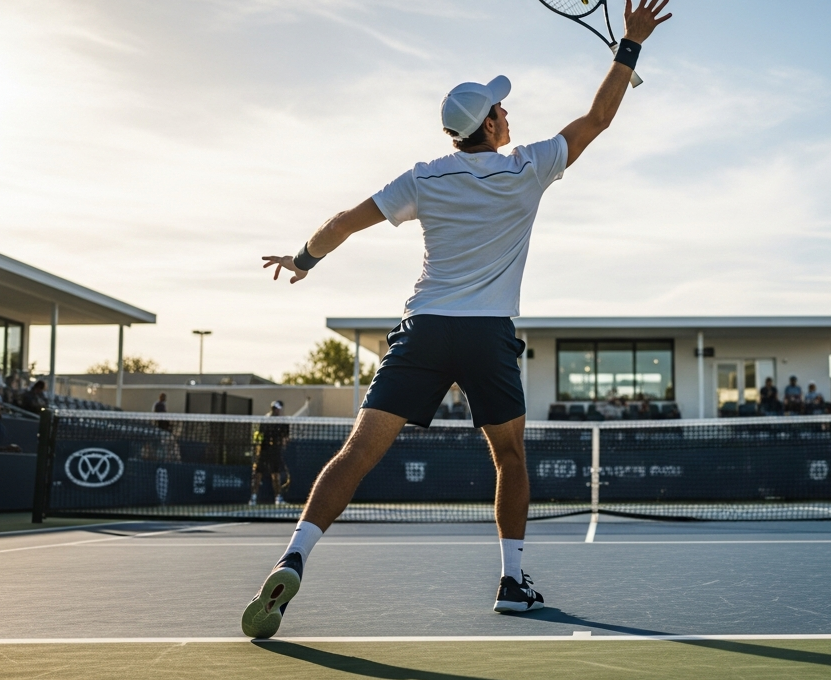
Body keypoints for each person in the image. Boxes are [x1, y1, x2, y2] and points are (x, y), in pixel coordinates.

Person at [245, 1, 672, 639]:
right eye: (503, 108)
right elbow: (598, 119)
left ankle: (293, 558)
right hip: (487, 333)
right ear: (493, 123)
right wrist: (630, 46)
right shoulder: (528, 166)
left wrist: (303, 259)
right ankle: (511, 581)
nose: (509, 114)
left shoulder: (425, 176)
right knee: (510, 459)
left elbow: (341, 222)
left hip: (424, 329)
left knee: (358, 453)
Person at [252, 401, 291, 506]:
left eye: (277, 408)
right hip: (264, 450)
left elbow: (286, 437)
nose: (276, 410)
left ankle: (278, 497)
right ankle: (253, 497)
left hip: (276, 451)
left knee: (275, 474)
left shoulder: (283, 421)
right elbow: (259, 435)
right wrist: (259, 448)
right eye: (274, 408)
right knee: (258, 473)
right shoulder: (265, 419)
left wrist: (282, 444)